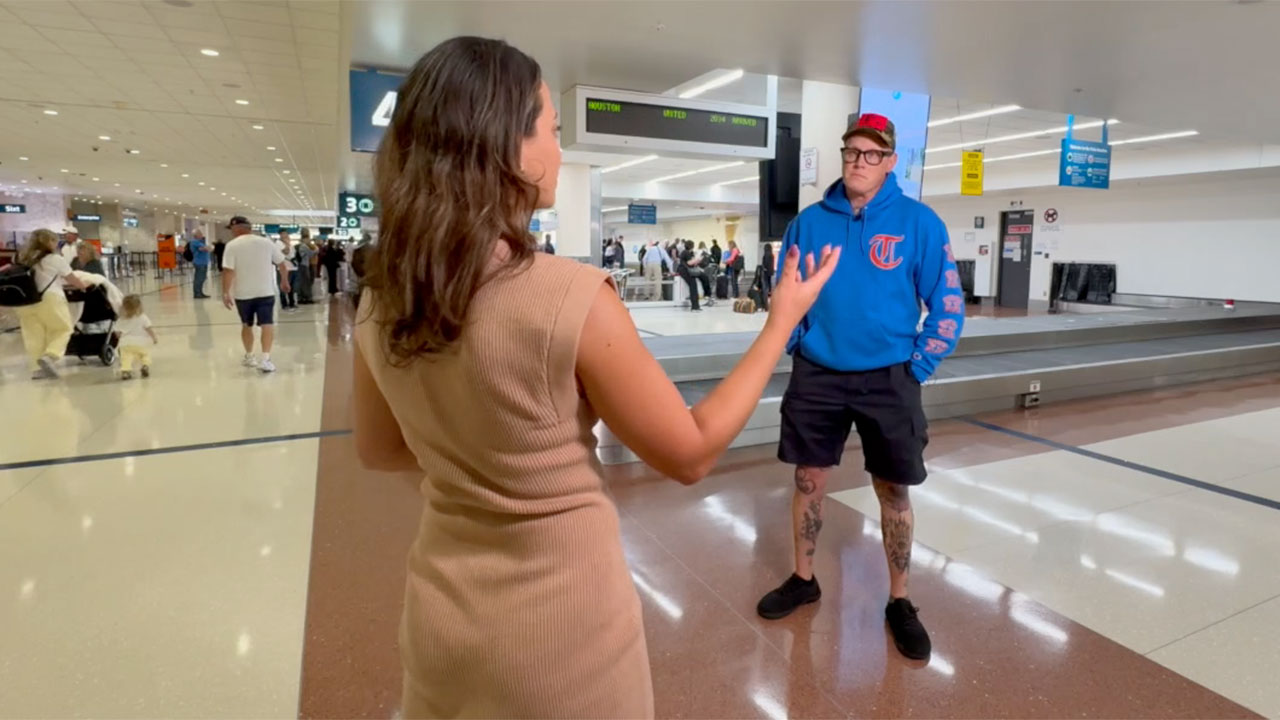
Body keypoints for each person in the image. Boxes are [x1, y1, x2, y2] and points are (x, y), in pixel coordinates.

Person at [352, 36, 837, 718]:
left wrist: (475, 454)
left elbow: (378, 449)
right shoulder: (568, 295)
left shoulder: (381, 296)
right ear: (507, 149)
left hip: (441, 616)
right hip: (562, 631)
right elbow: (691, 452)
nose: (559, 147)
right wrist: (780, 322)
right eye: (551, 128)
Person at [755, 113, 966, 662]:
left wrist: (917, 366)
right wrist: (800, 344)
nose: (859, 161)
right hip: (819, 374)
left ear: (891, 161)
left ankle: (899, 600)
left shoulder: (920, 224)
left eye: (872, 154)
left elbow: (946, 303)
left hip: (890, 378)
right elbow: (788, 290)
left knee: (894, 490)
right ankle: (804, 579)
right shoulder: (809, 221)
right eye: (852, 151)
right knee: (808, 479)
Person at [14, 228, 89, 379]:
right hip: (49, 299)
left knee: (33, 336)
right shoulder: (54, 259)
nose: (56, 244)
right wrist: (83, 286)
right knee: (63, 328)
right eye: (54, 241)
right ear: (48, 242)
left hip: (24, 302)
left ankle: (36, 370)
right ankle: (51, 355)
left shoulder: (21, 258)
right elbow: (71, 279)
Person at [221, 216, 290, 373]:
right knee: (267, 324)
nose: (231, 232)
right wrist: (284, 281)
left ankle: (250, 356)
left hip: (243, 293)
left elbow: (228, 270)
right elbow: (281, 263)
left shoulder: (232, 246)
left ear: (237, 228)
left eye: (231, 229)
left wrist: (225, 292)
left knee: (247, 325)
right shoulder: (266, 242)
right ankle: (265, 359)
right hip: (265, 291)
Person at [115, 294, 158, 380]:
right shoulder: (143, 317)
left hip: (125, 343)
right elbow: (149, 328)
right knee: (145, 355)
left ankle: (126, 372)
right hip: (141, 342)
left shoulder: (121, 319)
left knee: (126, 358)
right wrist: (154, 337)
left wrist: (119, 338)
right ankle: (145, 366)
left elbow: (117, 333)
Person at [275, 230, 298, 311]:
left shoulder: (290, 243)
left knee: (292, 286)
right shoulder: (278, 243)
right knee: (283, 286)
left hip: (292, 268)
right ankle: (284, 304)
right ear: (280, 235)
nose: (285, 235)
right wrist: (287, 243)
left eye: (286, 234)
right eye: (283, 234)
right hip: (283, 268)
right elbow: (286, 252)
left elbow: (293, 254)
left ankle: (292, 302)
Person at [295, 230, 316, 304]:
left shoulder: (298, 246)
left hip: (300, 265)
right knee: (306, 282)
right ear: (305, 239)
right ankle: (307, 297)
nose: (309, 240)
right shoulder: (304, 246)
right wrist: (316, 250)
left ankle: (301, 297)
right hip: (304, 265)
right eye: (308, 239)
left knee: (301, 282)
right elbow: (311, 254)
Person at [188, 230, 211, 298]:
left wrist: (208, 248)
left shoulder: (200, 242)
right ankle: (197, 293)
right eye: (200, 234)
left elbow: (206, 248)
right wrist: (208, 248)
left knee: (202, 278)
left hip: (203, 262)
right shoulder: (195, 242)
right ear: (196, 235)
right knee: (199, 278)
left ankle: (200, 292)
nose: (202, 235)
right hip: (199, 262)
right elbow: (204, 249)